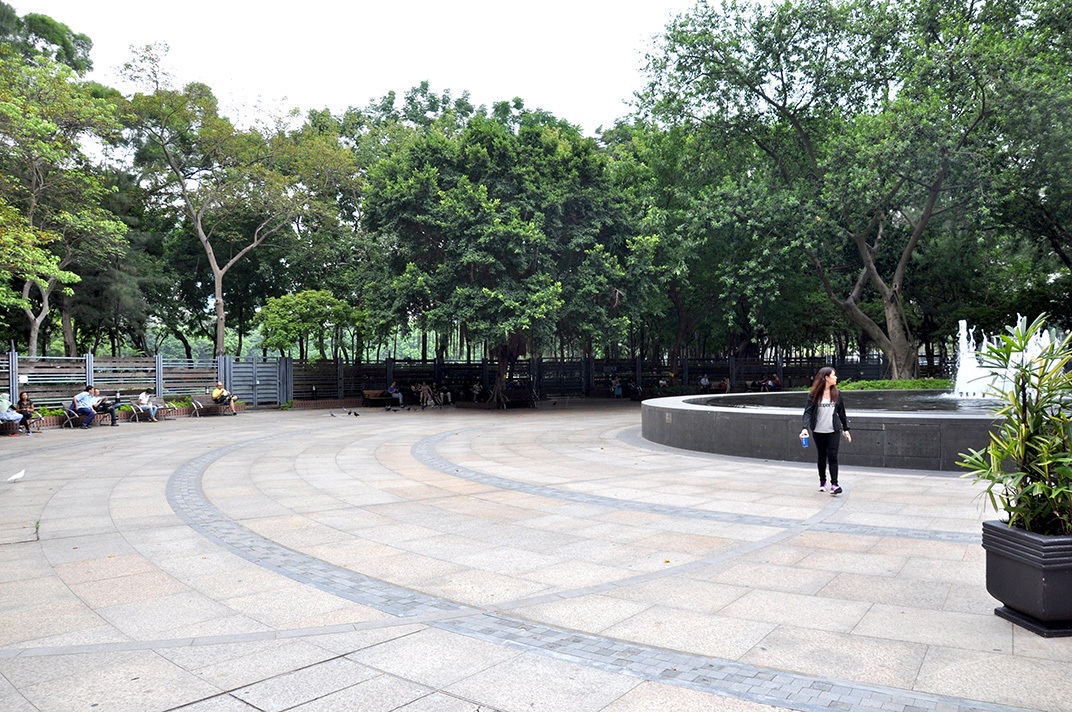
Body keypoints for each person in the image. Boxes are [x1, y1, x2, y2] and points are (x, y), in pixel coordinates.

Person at [800, 367, 852, 495]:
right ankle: (822, 481)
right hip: (818, 430)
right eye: (833, 375)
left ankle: (834, 484)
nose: (836, 378)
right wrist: (804, 428)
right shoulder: (814, 394)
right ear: (826, 378)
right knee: (822, 456)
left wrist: (846, 429)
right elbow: (808, 412)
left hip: (833, 430)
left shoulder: (837, 394)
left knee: (833, 456)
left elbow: (842, 414)